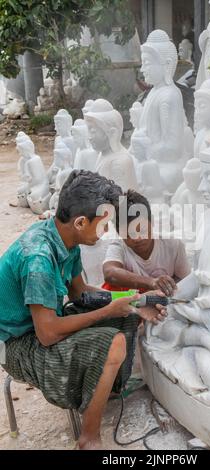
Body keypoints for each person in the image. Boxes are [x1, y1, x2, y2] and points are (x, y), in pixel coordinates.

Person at [0, 170, 166, 450]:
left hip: (43, 325)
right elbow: (48, 334)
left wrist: (136, 300)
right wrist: (108, 310)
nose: (106, 232)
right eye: (103, 225)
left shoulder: (67, 239)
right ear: (80, 222)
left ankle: (99, 393)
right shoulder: (38, 258)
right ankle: (89, 438)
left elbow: (81, 293)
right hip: (17, 343)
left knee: (125, 318)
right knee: (111, 343)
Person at [103, 190, 191, 296]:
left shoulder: (173, 245)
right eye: (129, 234)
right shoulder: (119, 247)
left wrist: (168, 288)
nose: (137, 239)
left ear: (152, 221)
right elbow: (110, 273)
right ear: (118, 232)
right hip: (135, 305)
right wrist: (151, 282)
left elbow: (187, 282)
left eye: (142, 230)